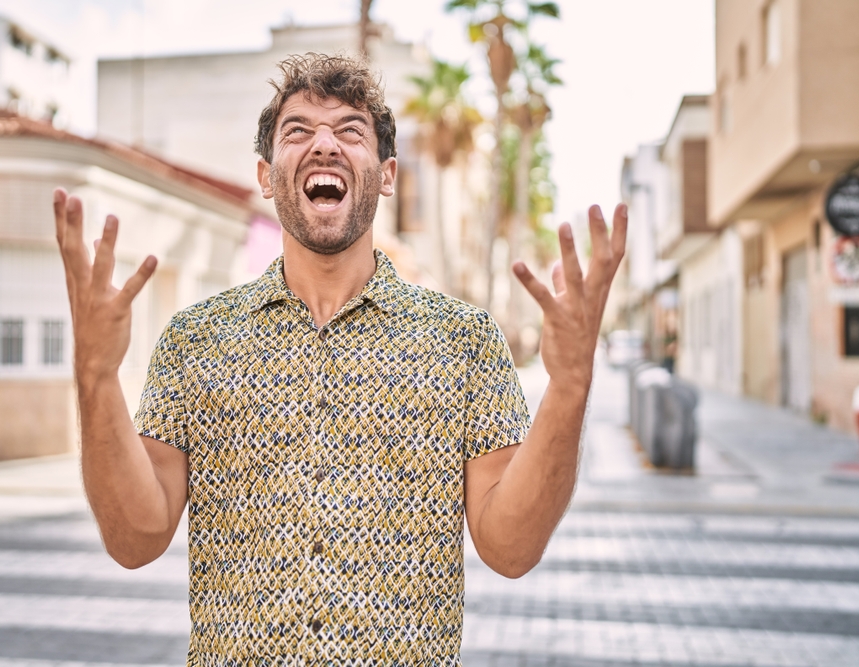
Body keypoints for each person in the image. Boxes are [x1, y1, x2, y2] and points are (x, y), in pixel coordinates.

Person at [53, 52, 626, 664]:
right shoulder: (197, 339)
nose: (323, 144)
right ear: (267, 174)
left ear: (386, 173)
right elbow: (135, 537)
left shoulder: (464, 341)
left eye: (351, 131)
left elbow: (511, 547)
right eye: (296, 131)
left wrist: (568, 385)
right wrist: (96, 375)